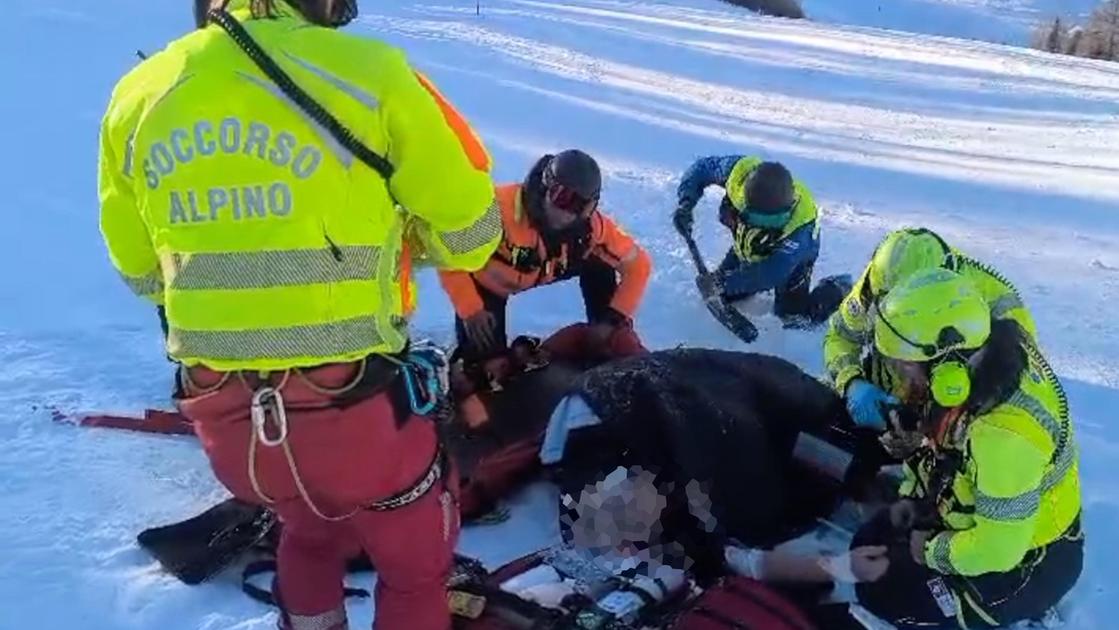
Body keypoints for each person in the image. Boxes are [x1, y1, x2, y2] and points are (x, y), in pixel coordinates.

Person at [98, 1, 502, 629]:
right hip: (356, 419)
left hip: (233, 434)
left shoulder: (139, 92)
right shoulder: (369, 72)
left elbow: (140, 272)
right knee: (416, 562)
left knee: (308, 529)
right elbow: (472, 236)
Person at [731, 269, 1083, 630]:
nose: (902, 375)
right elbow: (948, 456)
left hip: (1024, 564)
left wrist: (930, 550)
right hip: (972, 522)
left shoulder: (1005, 437)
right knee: (870, 541)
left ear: (946, 366)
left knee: (883, 594)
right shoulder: (977, 370)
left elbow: (998, 548)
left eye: (906, 365)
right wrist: (914, 501)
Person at [439, 149, 652, 363]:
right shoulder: (496, 213)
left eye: (583, 206)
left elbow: (638, 265)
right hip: (487, 284)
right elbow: (448, 256)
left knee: (602, 258)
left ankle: (606, 341)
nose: (568, 213)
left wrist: (613, 319)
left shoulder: (592, 228)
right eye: (564, 198)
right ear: (545, 186)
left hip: (552, 266)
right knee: (487, 367)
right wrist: (470, 308)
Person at [826, 227, 1039, 430]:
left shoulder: (1000, 311)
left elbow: (998, 400)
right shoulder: (883, 275)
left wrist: (928, 433)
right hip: (885, 399)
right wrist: (851, 382)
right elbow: (841, 336)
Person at [673, 155, 847, 325]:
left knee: (792, 316)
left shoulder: (798, 231)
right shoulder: (738, 175)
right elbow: (701, 169)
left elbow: (769, 274)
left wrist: (723, 283)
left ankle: (838, 288)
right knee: (726, 294)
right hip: (749, 246)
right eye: (759, 221)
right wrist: (686, 204)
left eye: (774, 221)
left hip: (796, 260)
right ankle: (744, 256)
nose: (768, 226)